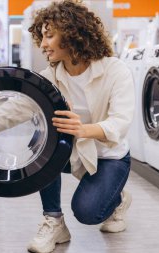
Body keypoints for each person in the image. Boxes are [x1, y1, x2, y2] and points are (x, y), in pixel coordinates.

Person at [24, 1, 134, 253]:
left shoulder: (115, 71)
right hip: (73, 152)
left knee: (88, 212)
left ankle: (117, 200)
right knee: (41, 141)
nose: (42, 45)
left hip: (110, 157)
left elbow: (120, 122)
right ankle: (54, 221)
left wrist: (82, 129)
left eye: (49, 36)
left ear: (72, 35)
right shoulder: (51, 76)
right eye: (41, 37)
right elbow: (19, 107)